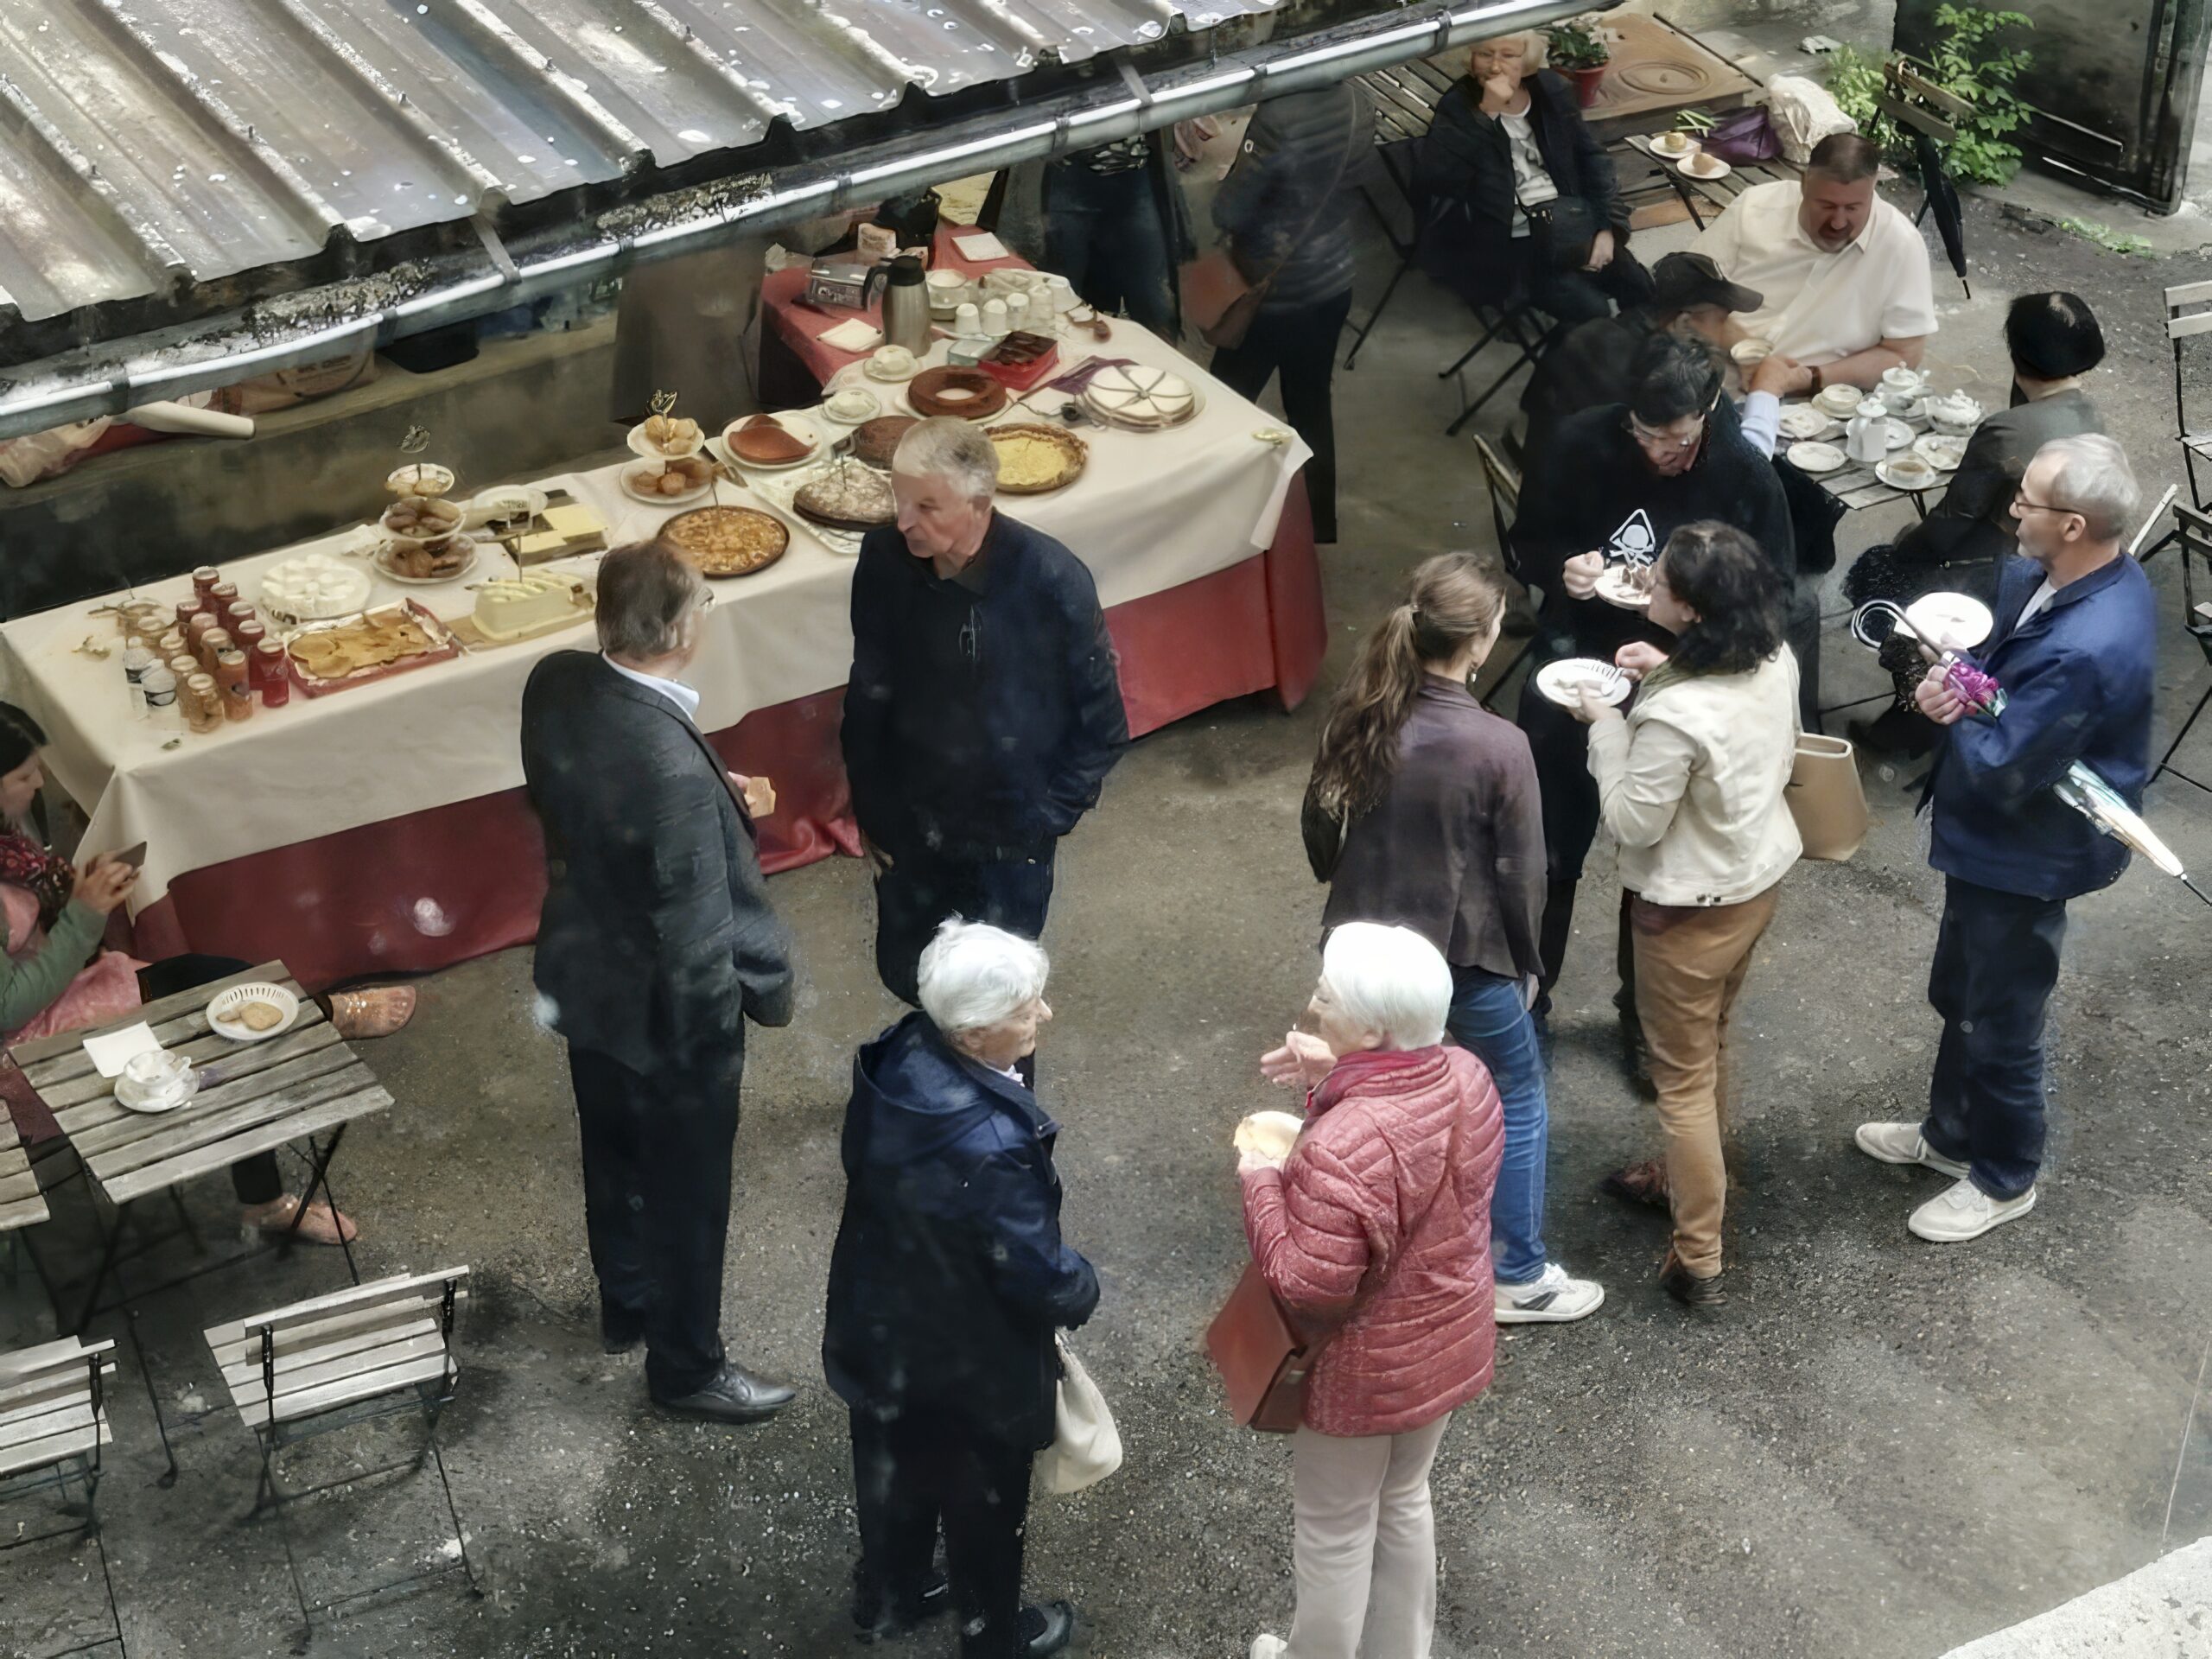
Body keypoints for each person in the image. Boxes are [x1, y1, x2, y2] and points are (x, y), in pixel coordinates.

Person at [520, 542, 798, 1423]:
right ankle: (686, 1369)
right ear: (681, 627)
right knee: (689, 1194)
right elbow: (692, 941)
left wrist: (715, 796)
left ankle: (626, 1304)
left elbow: (598, 796)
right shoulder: (672, 773)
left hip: (584, 975)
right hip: (669, 1016)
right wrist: (715, 1039)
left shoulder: (556, 681)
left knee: (612, 1153)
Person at [1856, 435, 2154, 1243]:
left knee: (2003, 1016)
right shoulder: (2073, 576)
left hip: (2029, 852)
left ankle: (2005, 1175)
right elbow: (1992, 685)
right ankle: (1952, 1136)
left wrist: (1951, 710)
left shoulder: (2092, 645)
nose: (2013, 508)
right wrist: (1950, 680)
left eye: (2029, 500)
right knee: (1963, 995)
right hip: (1999, 840)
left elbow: (2001, 763)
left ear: (2073, 525)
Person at [1300, 554, 1602, 1323]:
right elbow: (1522, 872)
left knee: (1369, 1091)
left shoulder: (1362, 706)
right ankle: (1519, 1274)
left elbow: (1320, 826)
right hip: (1458, 952)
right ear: (1478, 642)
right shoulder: (1498, 745)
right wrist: (1531, 967)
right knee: (1517, 1096)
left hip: (1360, 945)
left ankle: (1344, 1239)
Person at [0, 702, 404, 1244]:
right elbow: (9, 1004)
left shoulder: (6, 840)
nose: (39, 781)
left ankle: (317, 1015)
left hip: (63, 990)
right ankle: (266, 1199)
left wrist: (74, 898)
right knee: (235, 1035)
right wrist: (84, 915)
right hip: (26, 1050)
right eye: (26, 775)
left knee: (223, 981)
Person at [1510, 333, 1792, 1049]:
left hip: (1682, 678)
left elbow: (1774, 598)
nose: (1660, 452)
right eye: (1645, 434)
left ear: (1709, 410)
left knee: (1655, 865)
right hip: (1574, 654)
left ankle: (1640, 1018)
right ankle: (1529, 1003)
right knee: (1549, 846)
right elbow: (1529, 539)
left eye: (1676, 437)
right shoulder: (1580, 441)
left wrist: (1686, 646)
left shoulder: (1742, 475)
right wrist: (1561, 570)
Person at [824, 920, 1093, 1658]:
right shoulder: (994, 1146)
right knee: (983, 1504)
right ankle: (993, 1636)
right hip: (969, 1365)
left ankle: (890, 1595)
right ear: (974, 1035)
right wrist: (1082, 1289)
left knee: (891, 1467)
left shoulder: (901, 1050)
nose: (1043, 1015)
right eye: (1025, 1007)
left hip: (878, 1326)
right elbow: (1034, 1272)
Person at [1240, 922, 1504, 1659]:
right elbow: (1408, 1093)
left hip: (1363, 1375)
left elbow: (1308, 1286)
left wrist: (1261, 1176)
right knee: (1405, 1498)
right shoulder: (1468, 1074)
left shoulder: (1341, 1146)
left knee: (1334, 1527)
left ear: (1371, 1027)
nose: (1313, 1003)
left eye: (1327, 997)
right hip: (1449, 1340)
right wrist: (1337, 1070)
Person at [1570, 525, 1801, 1306]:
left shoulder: (1676, 719)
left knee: (1681, 1081)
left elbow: (1635, 821)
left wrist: (1606, 727)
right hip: (1755, 883)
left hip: (1685, 913)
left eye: (1659, 581)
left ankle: (1697, 1250)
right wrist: (1662, 669)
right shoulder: (1773, 655)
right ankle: (1688, 1174)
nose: (1648, 585)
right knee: (1713, 1043)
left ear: (1693, 609)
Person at [842, 418, 1126, 1014]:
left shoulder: (1051, 581)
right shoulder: (884, 560)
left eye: (926, 505)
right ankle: (930, 1100)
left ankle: (1002, 1105)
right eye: (898, 499)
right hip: (914, 831)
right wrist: (872, 810)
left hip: (1007, 847)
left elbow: (1102, 726)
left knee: (995, 1007)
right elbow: (868, 693)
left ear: (980, 503)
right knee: (914, 978)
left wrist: (1042, 819)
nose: (903, 521)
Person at [1837, 293, 2107, 757]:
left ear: (2016, 353)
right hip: (2056, 570)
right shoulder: (2090, 416)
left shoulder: (2007, 429)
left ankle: (1919, 710)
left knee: (1877, 571)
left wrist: (1906, 548)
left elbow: (1951, 522)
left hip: (1995, 576)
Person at [1206, 79, 1375, 544]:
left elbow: (1231, 210)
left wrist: (1227, 180)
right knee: (1311, 402)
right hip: (1333, 277)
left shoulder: (1279, 115)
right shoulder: (1359, 97)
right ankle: (1319, 524)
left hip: (1273, 290)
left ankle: (1209, 518)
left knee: (1226, 400)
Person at [1415, 30, 1654, 326]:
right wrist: (1486, 114)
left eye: (1508, 55)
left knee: (1641, 288)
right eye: (1485, 54)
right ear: (1471, 58)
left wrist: (1607, 228)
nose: (1494, 66)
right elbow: (1437, 178)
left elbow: (1591, 158)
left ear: (1526, 59)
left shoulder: (1551, 90)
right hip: (1512, 241)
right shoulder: (1458, 106)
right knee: (1592, 312)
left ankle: (1643, 357)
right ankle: (1583, 356)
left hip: (1573, 221)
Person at [1694, 133, 1936, 392]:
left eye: (1853, 208)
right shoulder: (1756, 206)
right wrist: (1748, 354)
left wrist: (1805, 378)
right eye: (1826, 205)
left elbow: (1904, 353)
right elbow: (1688, 288)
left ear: (1873, 187)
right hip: (1717, 371)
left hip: (1820, 398)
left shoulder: (1900, 244)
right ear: (1804, 183)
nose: (1838, 223)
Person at [1520, 251, 1762, 456]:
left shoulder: (1598, 333)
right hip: (1591, 492)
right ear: (1685, 322)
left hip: (1540, 461)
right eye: (1720, 321)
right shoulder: (1663, 378)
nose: (1724, 332)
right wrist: (1765, 397)